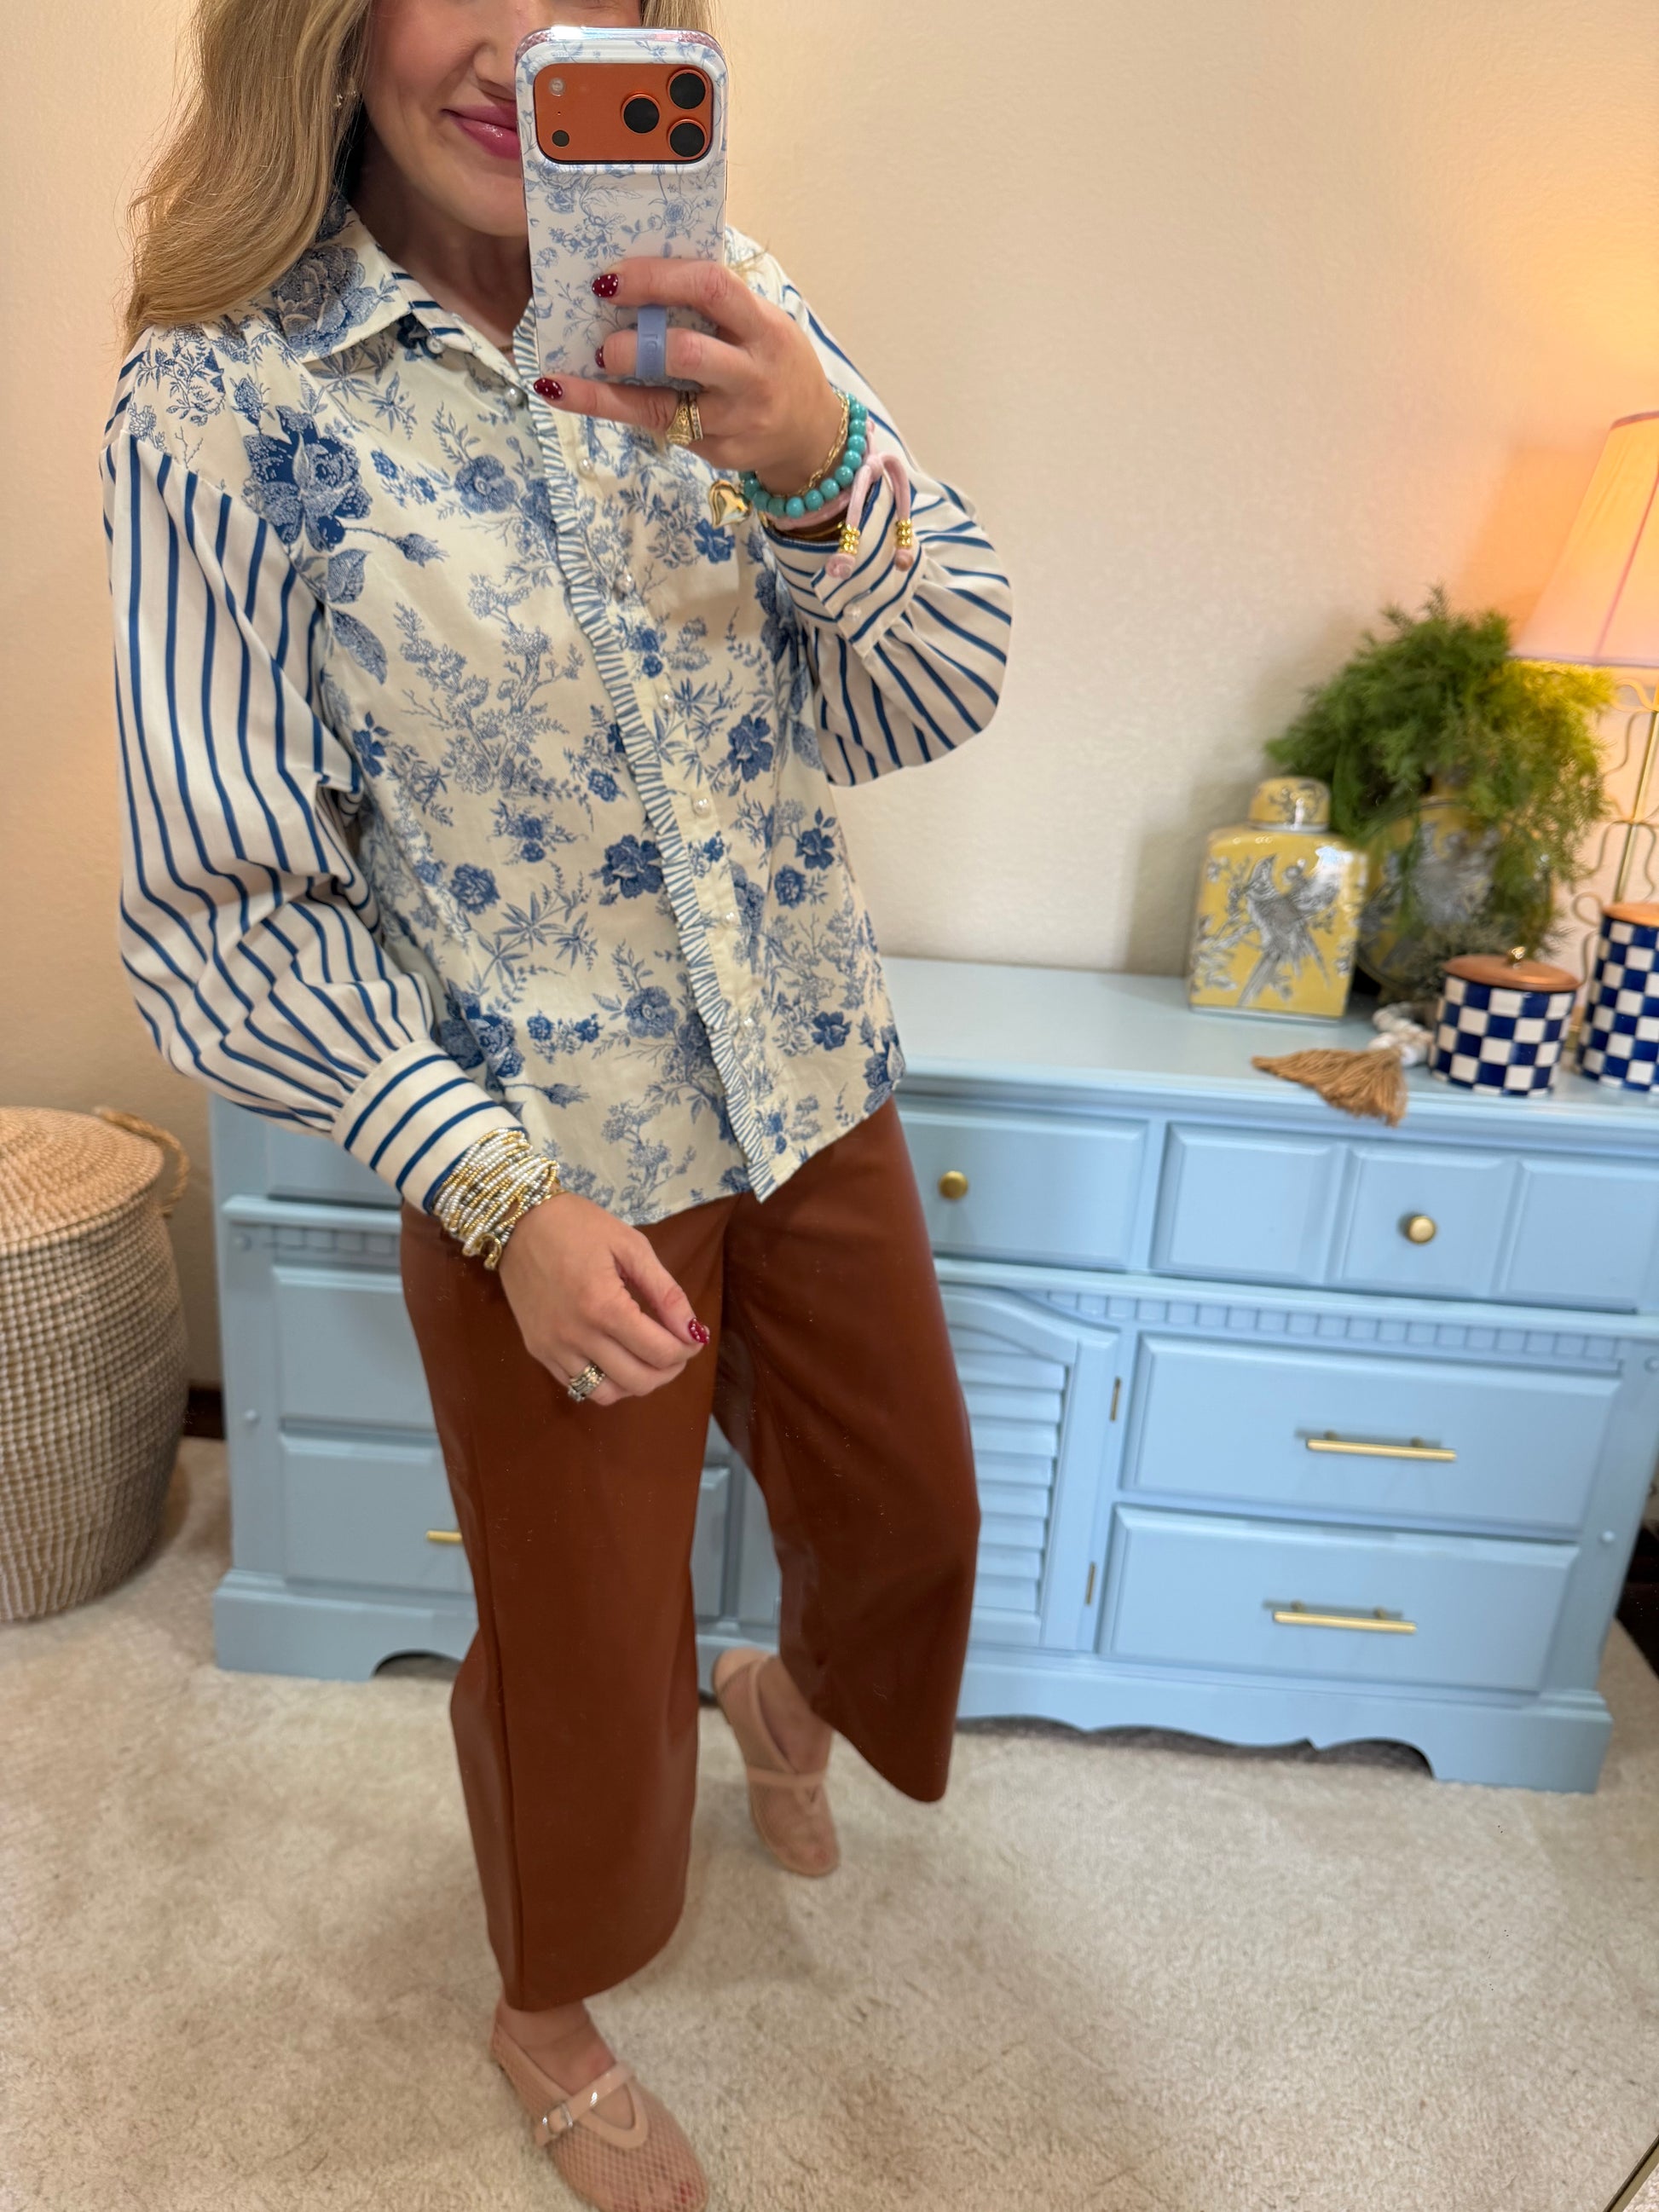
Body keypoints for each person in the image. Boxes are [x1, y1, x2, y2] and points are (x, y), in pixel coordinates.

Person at [105, 0, 1012, 2203]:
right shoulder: (219, 402)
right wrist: (495, 1200)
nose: (516, 42)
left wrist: (815, 460)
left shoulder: (722, 296)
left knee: (912, 1521)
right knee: (588, 1662)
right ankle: (545, 2002)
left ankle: (782, 1695)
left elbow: (937, 683)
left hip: (806, 1072)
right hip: (544, 1161)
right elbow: (230, 903)